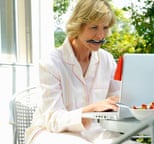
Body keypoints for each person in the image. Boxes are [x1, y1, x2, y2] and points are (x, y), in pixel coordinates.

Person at [25, 0, 138, 143]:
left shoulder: (107, 60)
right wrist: (91, 109)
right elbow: (53, 120)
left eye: (105, 28)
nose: (100, 36)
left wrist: (125, 104)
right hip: (50, 132)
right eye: (94, 28)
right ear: (77, 26)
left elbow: (117, 103)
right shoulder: (50, 63)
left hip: (96, 133)